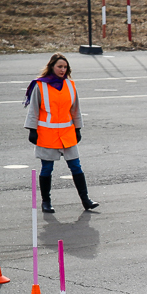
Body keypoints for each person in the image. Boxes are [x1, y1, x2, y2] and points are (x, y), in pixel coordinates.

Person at [24, 53, 99, 213]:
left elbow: (76, 109)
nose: (62, 70)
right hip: (47, 134)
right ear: (52, 67)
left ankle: (86, 200)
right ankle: (46, 202)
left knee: (76, 167)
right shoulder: (41, 85)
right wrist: (32, 130)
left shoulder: (70, 85)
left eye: (65, 67)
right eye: (59, 66)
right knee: (47, 169)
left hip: (67, 133)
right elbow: (34, 109)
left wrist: (78, 128)